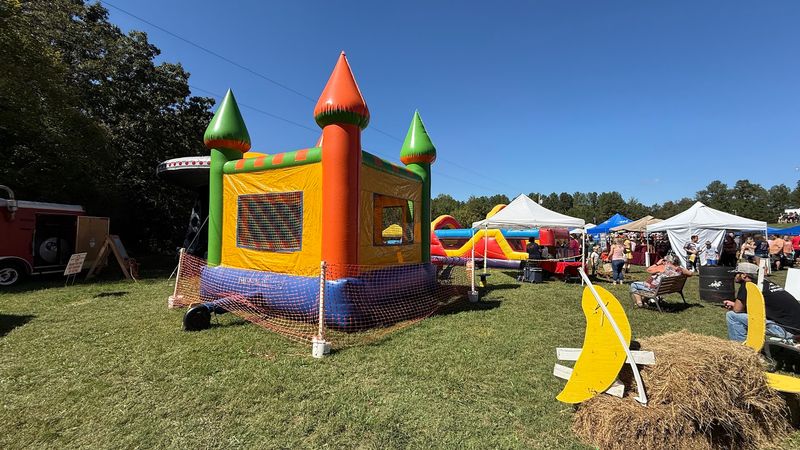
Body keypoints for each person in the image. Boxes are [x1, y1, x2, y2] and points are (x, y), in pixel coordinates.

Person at [723, 262, 800, 342]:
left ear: (743, 275)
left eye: (736, 274)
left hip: (787, 331)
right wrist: (735, 304)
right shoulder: (766, 283)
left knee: (732, 316)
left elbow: (737, 310)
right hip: (795, 328)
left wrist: (735, 306)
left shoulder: (748, 285)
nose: (734, 276)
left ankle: (740, 350)